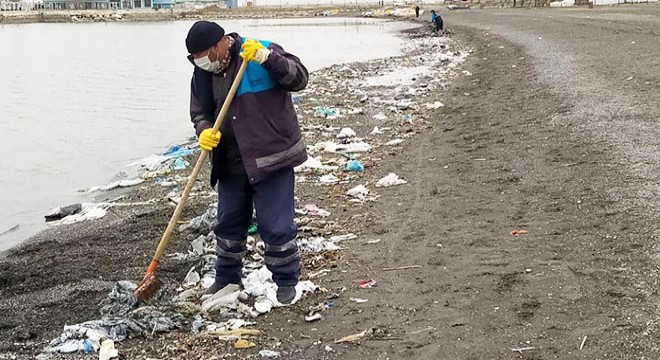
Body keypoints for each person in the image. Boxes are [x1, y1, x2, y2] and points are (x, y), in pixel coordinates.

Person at [185, 21, 309, 304]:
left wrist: (269, 59)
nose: (199, 61)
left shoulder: (259, 51)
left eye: (202, 54)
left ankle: (286, 281)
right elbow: (199, 111)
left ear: (219, 44)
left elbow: (300, 78)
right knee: (228, 224)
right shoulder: (203, 73)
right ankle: (226, 278)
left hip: (270, 157)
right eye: (194, 58)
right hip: (230, 159)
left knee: (276, 225)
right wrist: (203, 129)